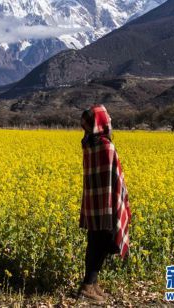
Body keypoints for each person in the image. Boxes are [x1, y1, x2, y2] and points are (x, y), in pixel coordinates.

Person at [77, 105, 131, 302]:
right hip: (106, 202)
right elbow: (114, 175)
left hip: (93, 201)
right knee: (102, 241)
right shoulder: (105, 145)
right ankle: (87, 285)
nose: (110, 123)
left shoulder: (88, 143)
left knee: (95, 240)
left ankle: (92, 282)